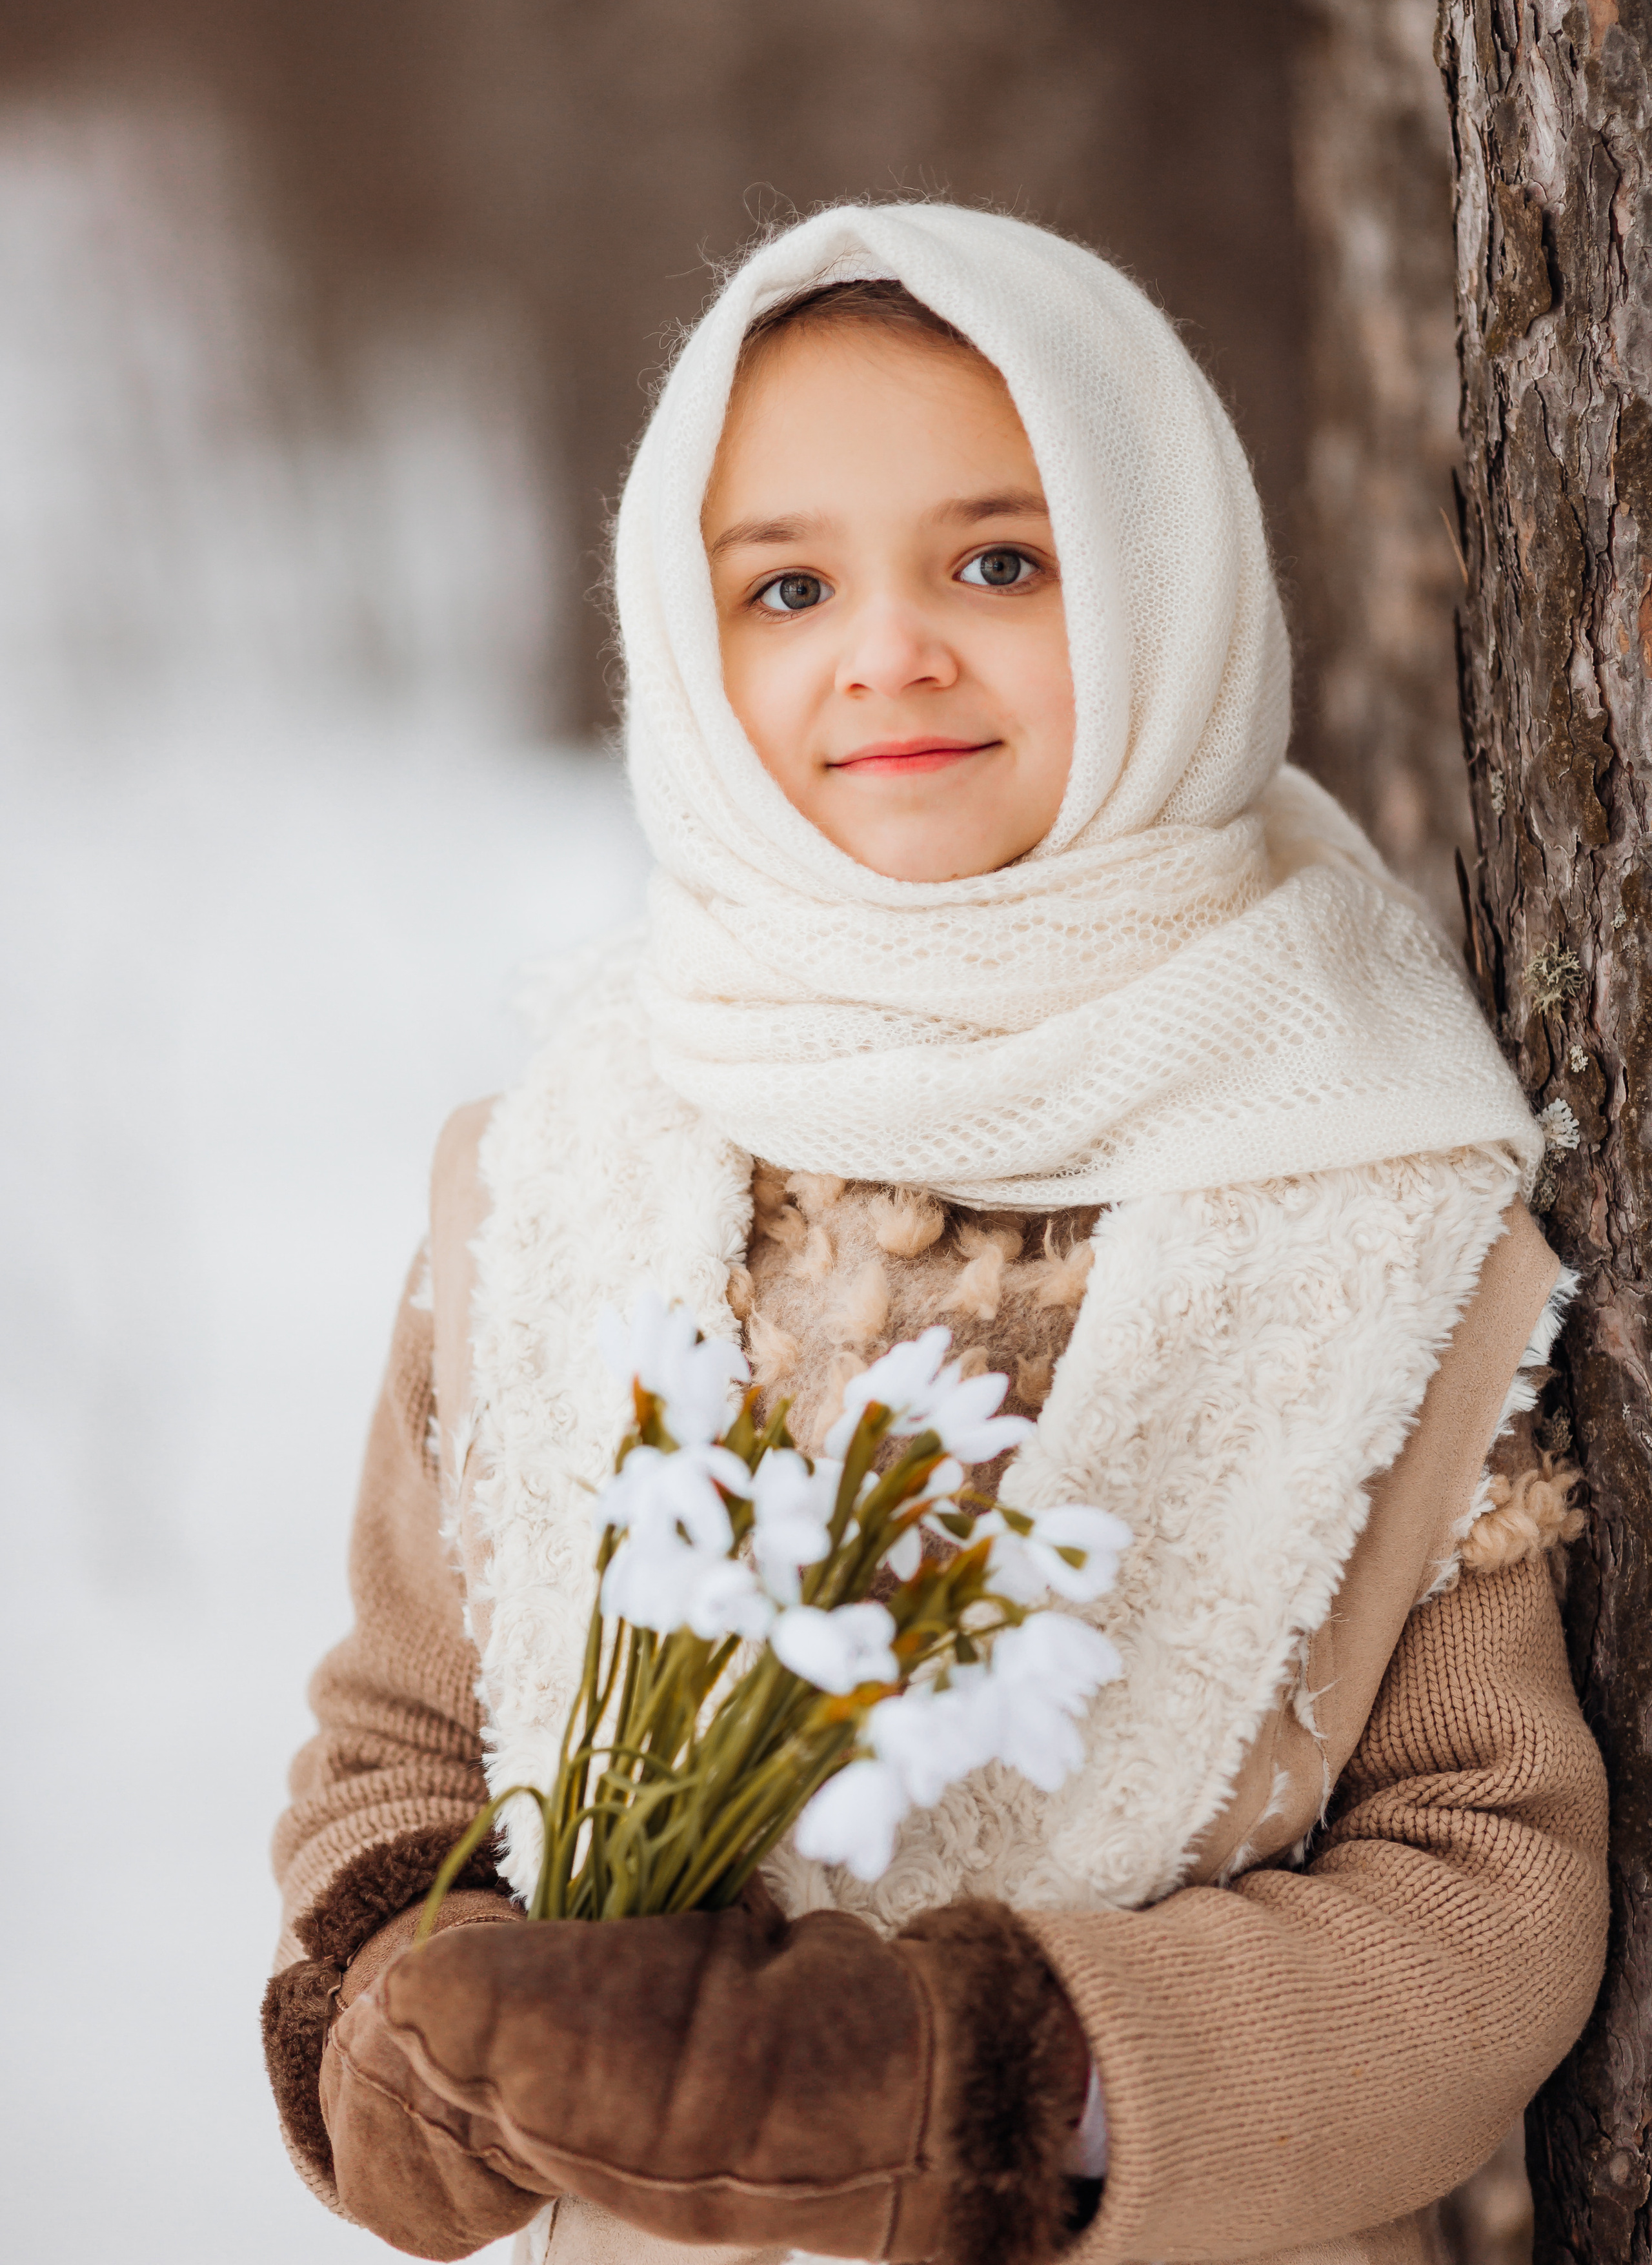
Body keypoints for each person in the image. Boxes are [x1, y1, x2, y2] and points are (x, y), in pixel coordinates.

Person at [262, 203, 1607, 2265]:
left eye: (1002, 560)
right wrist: (398, 2015)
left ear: (1167, 585)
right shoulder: (567, 1170)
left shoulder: (1367, 1176)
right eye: (788, 585)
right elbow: (405, 1734)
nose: (888, 649)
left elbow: (1482, 1890)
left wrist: (977, 2085)